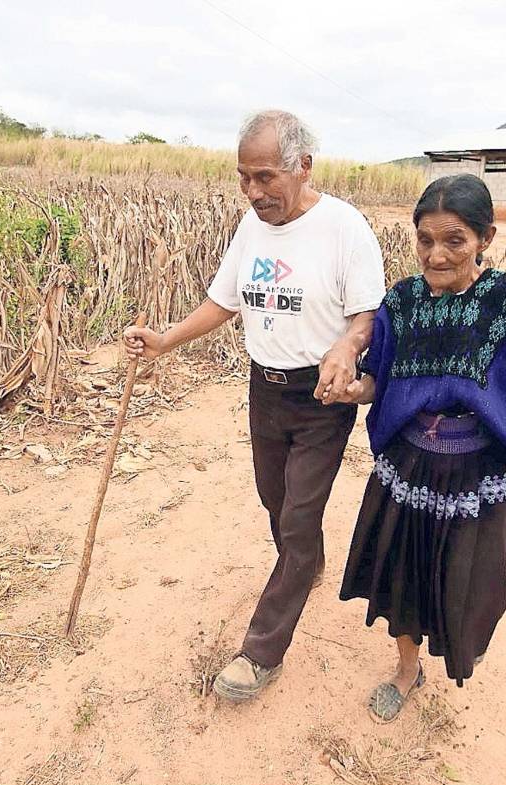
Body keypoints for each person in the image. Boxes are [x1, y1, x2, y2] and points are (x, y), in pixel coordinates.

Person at [123, 109, 387, 701]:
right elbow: (224, 302)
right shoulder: (250, 229)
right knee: (276, 500)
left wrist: (348, 346)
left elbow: (367, 313)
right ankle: (307, 562)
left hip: (322, 396)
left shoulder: (344, 227)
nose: (253, 191)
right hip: (264, 390)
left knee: (296, 518)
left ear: (303, 167)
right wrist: (166, 340)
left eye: (266, 177)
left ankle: (261, 651)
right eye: (245, 177)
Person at [329, 173, 506, 723]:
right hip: (410, 465)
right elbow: (380, 380)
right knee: (403, 571)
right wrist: (352, 389)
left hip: (478, 473)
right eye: (425, 240)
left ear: (486, 238)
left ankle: (464, 638)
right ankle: (406, 668)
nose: (436, 255)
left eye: (454, 240)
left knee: (473, 577)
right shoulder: (402, 301)